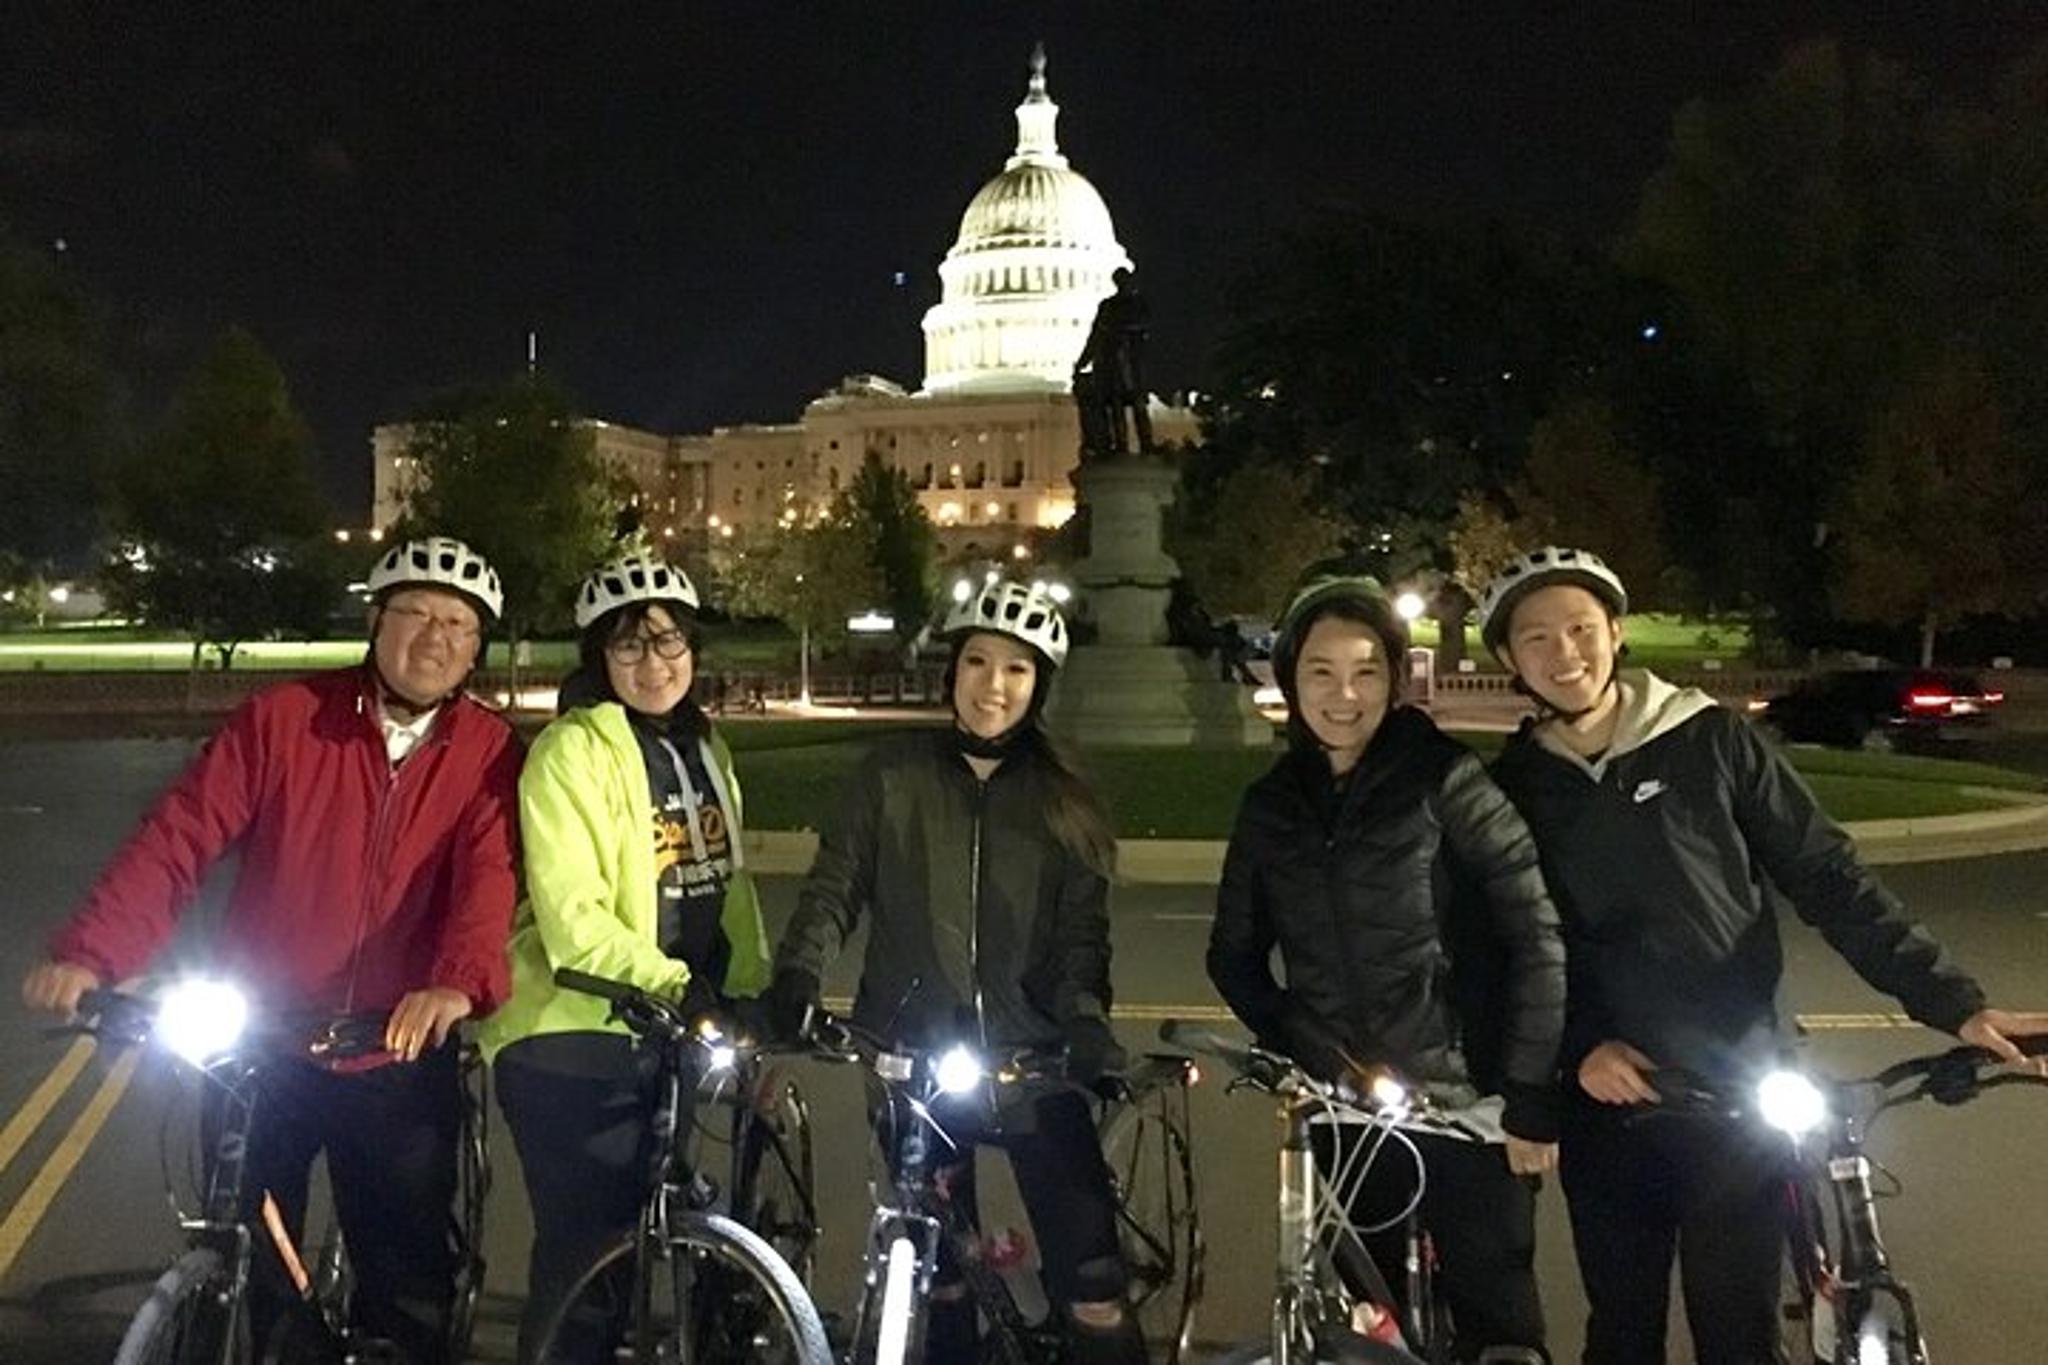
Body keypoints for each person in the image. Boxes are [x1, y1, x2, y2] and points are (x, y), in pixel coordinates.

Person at [1477, 545, 2048, 1365]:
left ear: (1614, 630)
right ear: (1509, 659)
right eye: (1536, 638)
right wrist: (1578, 1048)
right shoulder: (1515, 786)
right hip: (1609, 1101)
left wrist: (1952, 999)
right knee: (1622, 1332)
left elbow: (1829, 878)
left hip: (1738, 1087)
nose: (1564, 652)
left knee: (1737, 1329)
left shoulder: (1709, 739)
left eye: (1579, 627)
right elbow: (1517, 948)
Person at [21, 535, 521, 1365]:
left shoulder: (486, 751)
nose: (437, 637)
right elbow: (179, 837)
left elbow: (489, 879)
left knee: (404, 1283)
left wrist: (456, 985)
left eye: (461, 624)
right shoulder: (285, 719)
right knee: (252, 1261)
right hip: (264, 1039)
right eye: (417, 613)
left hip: (391, 1044)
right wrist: (95, 952)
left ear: (477, 647)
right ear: (375, 621)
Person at [769, 578, 1146, 1365]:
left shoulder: (1062, 801)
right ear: (952, 671)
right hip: (912, 1060)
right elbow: (835, 888)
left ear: (1039, 683)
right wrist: (799, 976)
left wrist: (1084, 1022)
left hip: (1032, 1063)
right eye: (978, 661)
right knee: (934, 1273)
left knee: (1094, 1280)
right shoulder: (892, 775)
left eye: (1016, 668)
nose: (993, 684)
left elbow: (1083, 937)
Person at [1207, 573, 1564, 1364]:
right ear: (1289, 678)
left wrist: (1530, 1094)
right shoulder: (1271, 805)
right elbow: (1232, 955)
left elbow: (1535, 931)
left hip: (1467, 1103)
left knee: (1502, 1334)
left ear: (1394, 680)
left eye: (1367, 671)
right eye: (1321, 672)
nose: (1344, 694)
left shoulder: (1446, 776)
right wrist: (1299, 1038)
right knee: (1372, 1333)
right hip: (1346, 1110)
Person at [478, 551, 773, 1365]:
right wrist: (688, 989)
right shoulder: (571, 750)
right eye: (629, 646)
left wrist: (752, 999)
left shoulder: (707, 749)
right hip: (568, 1024)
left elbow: (727, 889)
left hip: (667, 1019)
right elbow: (574, 919)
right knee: (592, 1260)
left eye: (669, 641)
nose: (654, 663)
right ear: (599, 659)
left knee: (661, 1232)